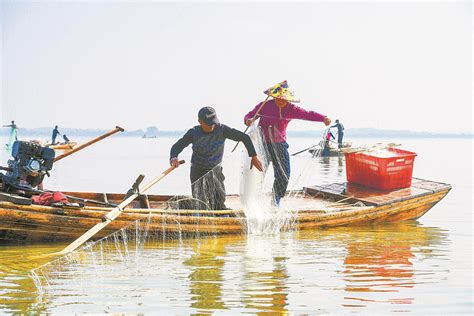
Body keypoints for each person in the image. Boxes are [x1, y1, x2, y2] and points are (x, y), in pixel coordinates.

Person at [243, 80, 331, 206]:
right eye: (278, 98)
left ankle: (276, 200)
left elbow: (308, 114)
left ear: (289, 100)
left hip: (280, 145)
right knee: (258, 173)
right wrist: (248, 120)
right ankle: (253, 200)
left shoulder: (292, 109)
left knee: (284, 174)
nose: (280, 101)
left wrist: (323, 118)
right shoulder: (265, 105)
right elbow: (250, 115)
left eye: (283, 99)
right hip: (263, 145)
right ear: (273, 97)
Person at [170, 106, 263, 210]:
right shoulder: (194, 132)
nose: (212, 126)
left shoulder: (222, 129)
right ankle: (190, 210)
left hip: (215, 170)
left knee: (219, 202)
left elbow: (244, 138)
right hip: (198, 171)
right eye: (208, 124)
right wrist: (174, 157)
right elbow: (177, 146)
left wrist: (253, 157)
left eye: (213, 122)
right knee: (201, 204)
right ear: (200, 121)